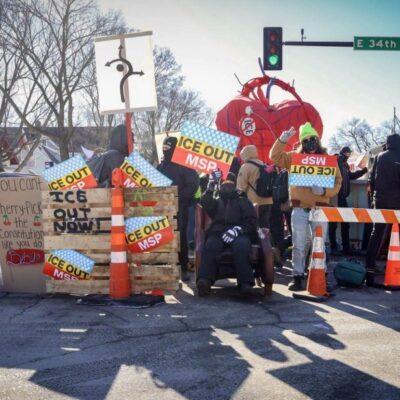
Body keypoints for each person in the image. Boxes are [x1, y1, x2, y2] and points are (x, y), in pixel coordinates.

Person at [270, 123, 342, 291]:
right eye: (306, 140)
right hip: (300, 208)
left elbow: (338, 181)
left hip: (320, 209)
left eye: (313, 139)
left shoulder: (328, 160)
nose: (310, 142)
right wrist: (282, 140)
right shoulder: (294, 158)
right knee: (299, 243)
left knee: (320, 244)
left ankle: (319, 275)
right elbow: (274, 157)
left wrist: (324, 191)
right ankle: (297, 276)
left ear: (318, 139)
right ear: (302, 143)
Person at [196, 171, 258, 297]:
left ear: (235, 184)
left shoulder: (243, 201)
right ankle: (205, 280)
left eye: (230, 181)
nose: (227, 184)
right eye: (224, 182)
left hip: (239, 233)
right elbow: (205, 203)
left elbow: (251, 222)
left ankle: (245, 283)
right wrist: (210, 186)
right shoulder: (217, 202)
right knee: (211, 246)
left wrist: (237, 230)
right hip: (218, 232)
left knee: (242, 246)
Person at [157, 136, 199, 282]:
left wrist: (178, 197)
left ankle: (183, 268)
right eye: (163, 147)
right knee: (164, 237)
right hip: (163, 208)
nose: (165, 150)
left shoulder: (184, 166)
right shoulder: (160, 166)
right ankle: (166, 267)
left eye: (168, 147)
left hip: (180, 207)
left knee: (181, 238)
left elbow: (193, 185)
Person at [366, 134, 400, 276]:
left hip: (380, 200)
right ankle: (395, 265)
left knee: (377, 232)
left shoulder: (379, 157)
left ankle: (370, 264)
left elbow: (372, 179)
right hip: (397, 201)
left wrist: (373, 198)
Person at [329, 146, 368, 255]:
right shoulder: (337, 160)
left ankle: (344, 248)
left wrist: (363, 171)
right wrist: (339, 157)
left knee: (344, 224)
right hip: (335, 198)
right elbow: (334, 161)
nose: (348, 155)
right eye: (346, 153)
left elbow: (351, 176)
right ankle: (334, 247)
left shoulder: (345, 165)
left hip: (342, 198)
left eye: (348, 153)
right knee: (333, 225)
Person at [237, 144, 273, 229]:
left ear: (244, 154)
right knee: (265, 225)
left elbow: (240, 186)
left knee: (254, 225)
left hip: (253, 201)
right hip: (268, 200)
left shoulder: (245, 167)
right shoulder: (264, 164)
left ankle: (257, 238)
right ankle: (266, 237)